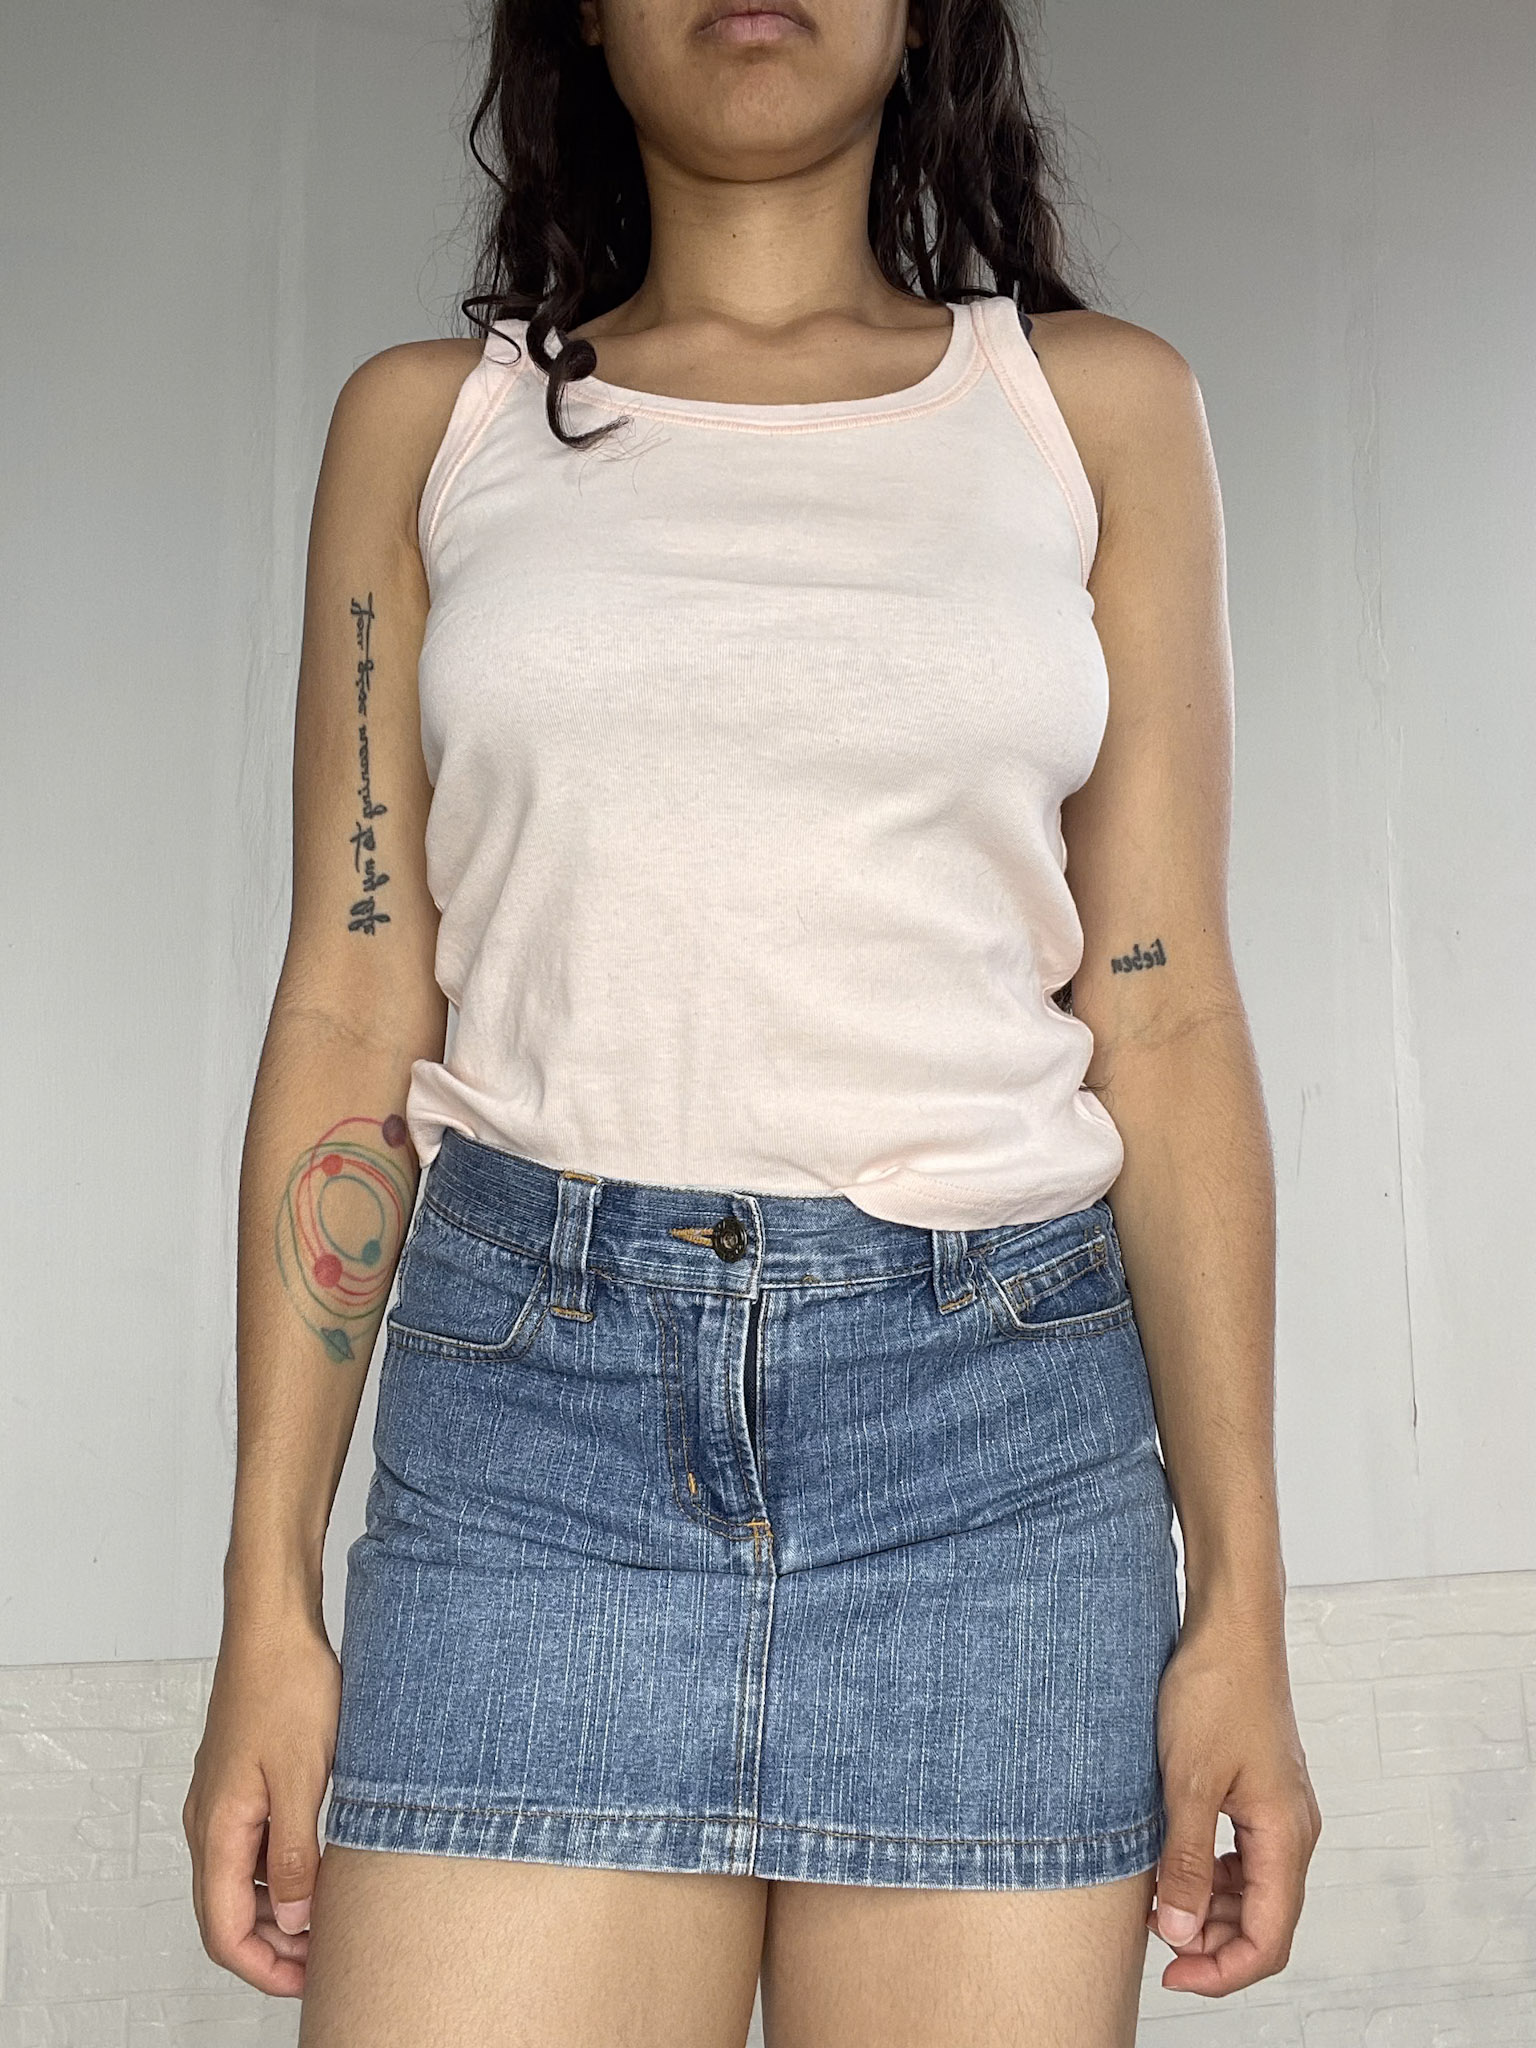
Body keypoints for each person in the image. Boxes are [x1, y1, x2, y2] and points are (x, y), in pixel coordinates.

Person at [182, 0, 1322, 2035]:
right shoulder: (427, 429)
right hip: (528, 1448)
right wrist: (267, 1592)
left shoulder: (1095, 413)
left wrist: (1241, 1601)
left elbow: (1163, 1019)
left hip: (998, 1461)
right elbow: (352, 1002)